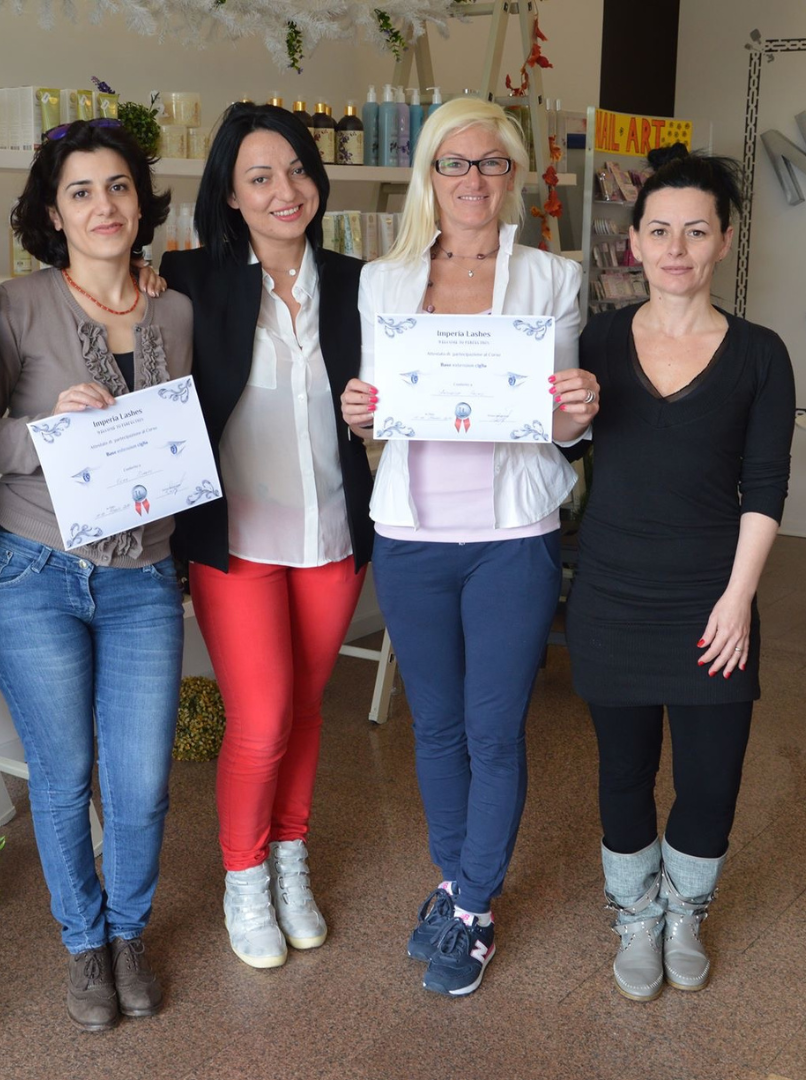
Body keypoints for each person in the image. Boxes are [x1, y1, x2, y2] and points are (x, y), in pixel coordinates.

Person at [340, 97, 598, 997]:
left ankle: (475, 907)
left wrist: (577, 413)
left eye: (491, 162)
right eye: (454, 162)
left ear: (512, 175)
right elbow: (379, 410)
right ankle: (456, 886)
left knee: (492, 729)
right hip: (411, 535)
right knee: (437, 726)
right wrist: (360, 412)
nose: (473, 179)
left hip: (510, 537)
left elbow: (559, 427)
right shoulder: (384, 281)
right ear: (430, 176)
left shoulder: (551, 278)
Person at [0, 119, 191, 1032]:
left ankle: (130, 932)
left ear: (140, 202)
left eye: (118, 187)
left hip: (145, 579)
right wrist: (47, 432)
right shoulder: (16, 306)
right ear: (53, 213)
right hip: (35, 571)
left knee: (139, 784)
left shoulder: (175, 312)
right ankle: (85, 945)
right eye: (80, 191)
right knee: (63, 778)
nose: (103, 206)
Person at [566, 147, 795, 1002]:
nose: (676, 248)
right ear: (633, 242)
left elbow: (765, 487)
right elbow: (559, 447)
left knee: (710, 777)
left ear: (724, 241)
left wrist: (738, 600)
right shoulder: (595, 339)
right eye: (659, 230)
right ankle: (635, 914)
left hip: (712, 595)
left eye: (696, 231)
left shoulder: (761, 354)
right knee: (623, 771)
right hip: (612, 592)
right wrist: (562, 421)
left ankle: (686, 909)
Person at [159, 103, 373, 970]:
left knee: (307, 710)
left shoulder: (359, 282)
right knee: (260, 720)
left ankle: (291, 860)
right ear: (230, 195)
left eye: (296, 170)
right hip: (237, 538)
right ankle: (244, 880)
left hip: (333, 533)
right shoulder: (187, 278)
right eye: (259, 176)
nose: (285, 190)